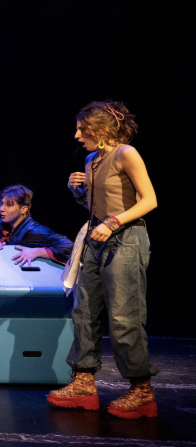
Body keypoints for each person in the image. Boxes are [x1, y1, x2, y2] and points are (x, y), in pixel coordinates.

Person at [47, 100, 158, 419]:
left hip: (126, 238)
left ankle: (142, 391)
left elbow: (149, 200)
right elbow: (93, 207)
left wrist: (113, 222)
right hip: (96, 237)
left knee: (124, 315)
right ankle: (83, 383)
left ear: (100, 130)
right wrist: (76, 191)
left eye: (82, 129)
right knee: (84, 311)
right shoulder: (91, 160)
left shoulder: (126, 153)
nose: (77, 135)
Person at [0, 184, 73, 309]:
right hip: (9, 284)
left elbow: (70, 247)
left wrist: (37, 251)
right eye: (2, 204)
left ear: (23, 209)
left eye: (9, 205)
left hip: (28, 288)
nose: (1, 209)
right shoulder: (5, 227)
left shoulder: (34, 230)